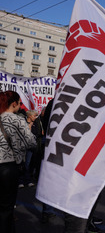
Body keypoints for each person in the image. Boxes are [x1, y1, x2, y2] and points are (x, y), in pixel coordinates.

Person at [0, 91, 36, 232]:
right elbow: (32, 142)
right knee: (6, 209)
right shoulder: (17, 119)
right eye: (20, 103)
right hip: (8, 168)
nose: (20, 106)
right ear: (13, 104)